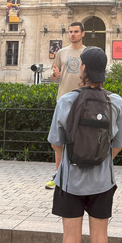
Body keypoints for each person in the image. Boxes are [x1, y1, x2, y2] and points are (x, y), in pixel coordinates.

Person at [47, 47, 122, 243]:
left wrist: (71, 156)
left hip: (69, 180)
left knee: (71, 241)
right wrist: (101, 158)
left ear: (83, 68)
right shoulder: (115, 102)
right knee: (100, 240)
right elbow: (117, 144)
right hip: (102, 181)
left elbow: (56, 142)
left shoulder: (66, 101)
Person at [46, 21, 87, 189]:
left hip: (82, 101)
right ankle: (59, 174)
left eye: (76, 31)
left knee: (81, 139)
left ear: (82, 33)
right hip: (63, 100)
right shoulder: (61, 53)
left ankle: (81, 175)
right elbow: (53, 77)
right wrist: (54, 74)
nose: (72, 34)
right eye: (70, 31)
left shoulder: (88, 53)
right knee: (58, 139)